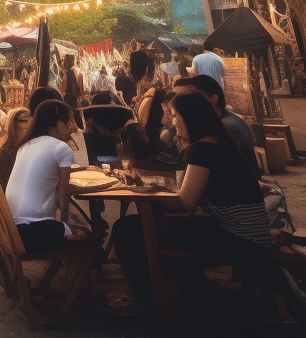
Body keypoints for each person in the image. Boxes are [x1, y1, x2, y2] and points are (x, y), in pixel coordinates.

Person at [112, 91, 272, 310]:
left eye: (175, 115)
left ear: (191, 117)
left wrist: (148, 193)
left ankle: (145, 297)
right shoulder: (217, 142)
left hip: (239, 237)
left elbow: (186, 202)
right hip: (245, 232)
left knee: (128, 228)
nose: (172, 121)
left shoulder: (204, 148)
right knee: (146, 226)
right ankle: (175, 292)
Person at [5, 100, 84, 253]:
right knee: (89, 235)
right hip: (35, 232)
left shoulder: (25, 145)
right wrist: (65, 223)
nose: (73, 128)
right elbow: (63, 194)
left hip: (11, 230)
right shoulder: (61, 148)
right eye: (69, 122)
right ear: (59, 124)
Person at [172, 73, 259, 173]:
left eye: (195, 97)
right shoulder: (225, 119)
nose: (189, 104)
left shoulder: (226, 126)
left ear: (214, 98)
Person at [0, 107, 32, 189]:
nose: (28, 126)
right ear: (13, 125)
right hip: (9, 197)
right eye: (23, 121)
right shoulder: (6, 151)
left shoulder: (9, 143)